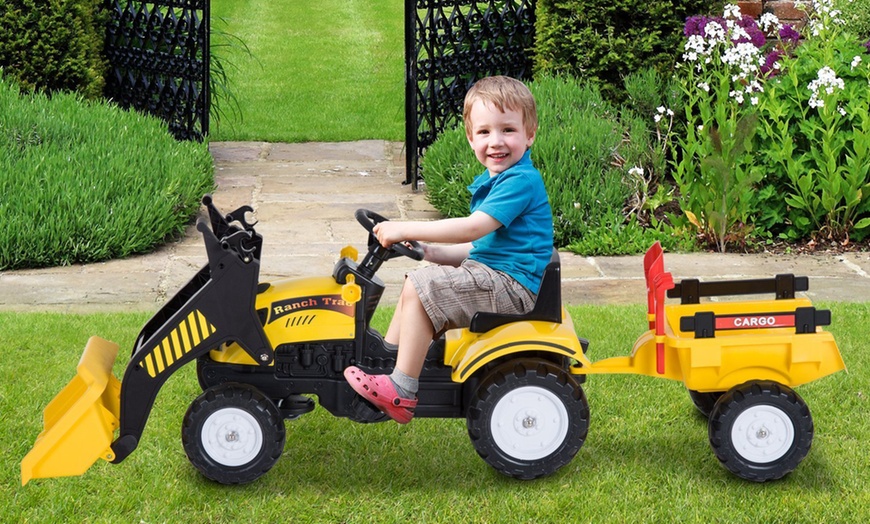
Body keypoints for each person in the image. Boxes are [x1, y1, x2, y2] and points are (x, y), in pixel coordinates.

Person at [344, 75, 554, 423]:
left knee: (423, 287)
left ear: (529, 134)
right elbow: (480, 249)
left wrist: (403, 227)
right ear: (471, 138)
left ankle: (400, 389)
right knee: (421, 276)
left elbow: (472, 229)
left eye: (508, 130)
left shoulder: (521, 181)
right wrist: (427, 251)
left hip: (513, 289)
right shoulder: (497, 181)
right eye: (485, 132)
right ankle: (385, 365)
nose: (496, 142)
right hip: (497, 276)